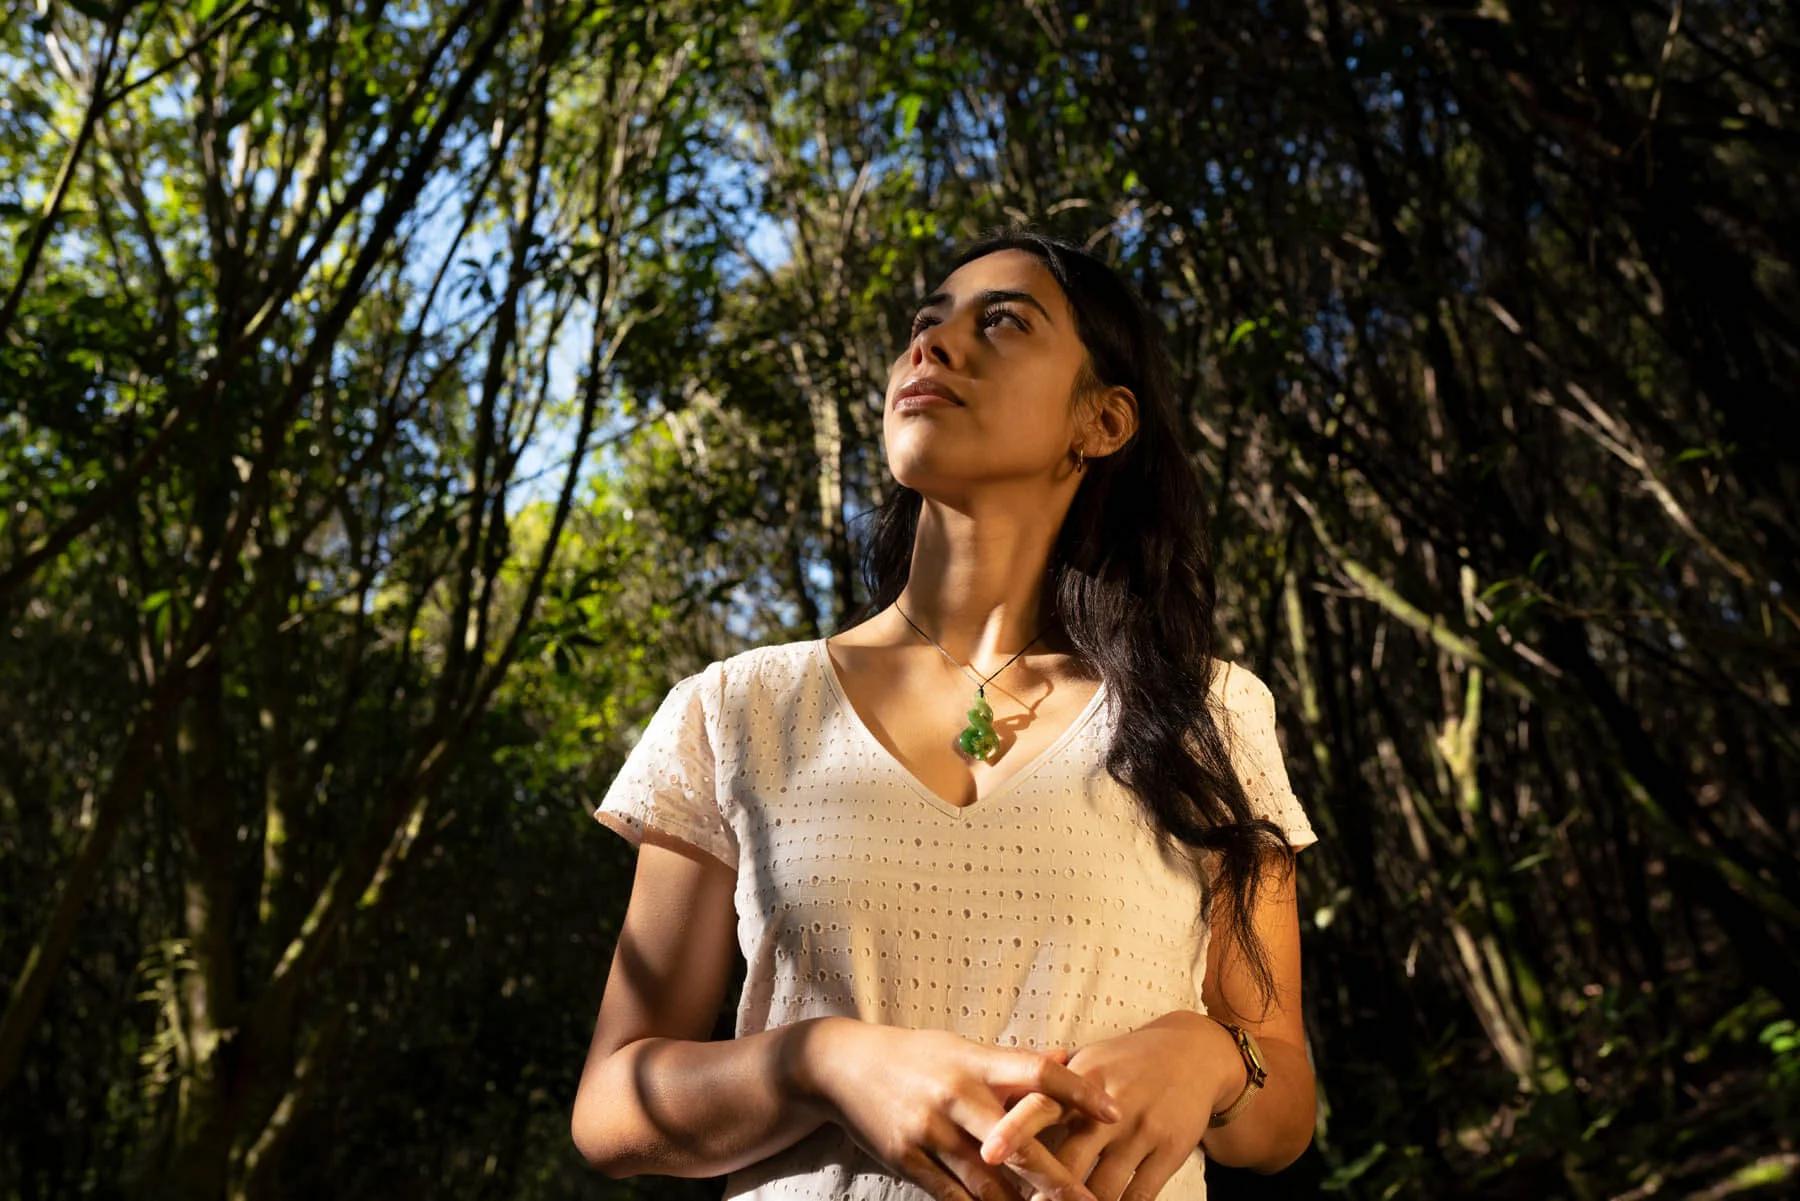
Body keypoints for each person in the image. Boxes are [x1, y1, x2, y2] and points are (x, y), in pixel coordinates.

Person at [570, 227, 1320, 1201]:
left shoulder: (1210, 713)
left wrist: (1212, 1058)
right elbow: (610, 1105)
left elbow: (1283, 1102)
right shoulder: (737, 709)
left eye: (1002, 321)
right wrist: (824, 1063)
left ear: (1103, 420)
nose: (934, 343)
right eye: (924, 324)